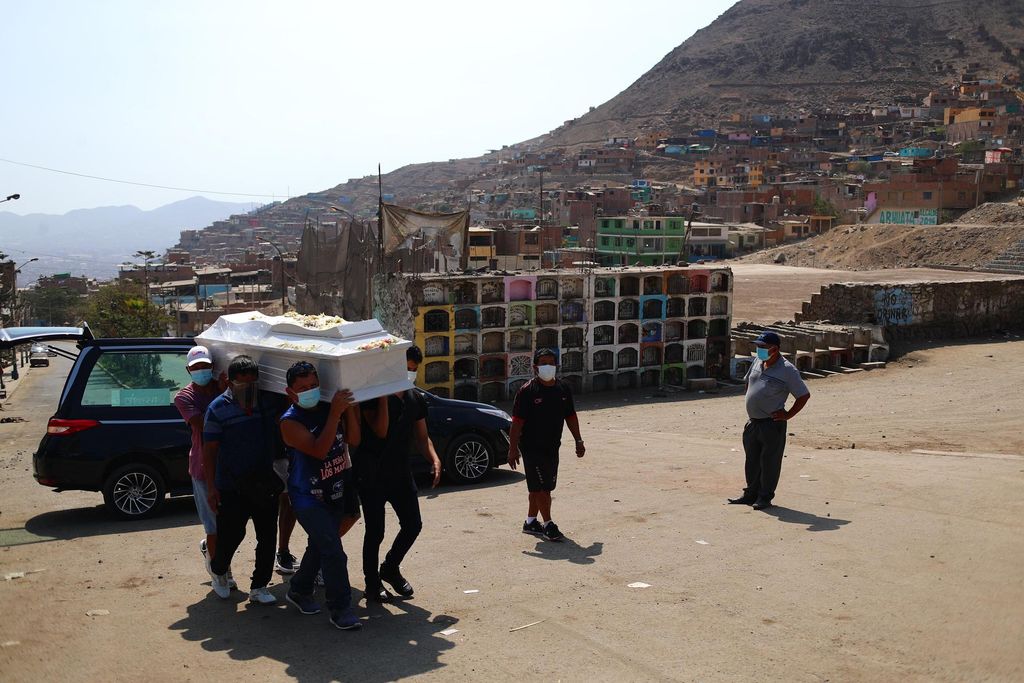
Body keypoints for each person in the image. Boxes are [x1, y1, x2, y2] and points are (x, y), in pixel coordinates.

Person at [279, 361, 363, 630]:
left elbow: (355, 439)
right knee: (334, 552)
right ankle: (340, 608)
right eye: (303, 388)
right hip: (307, 497)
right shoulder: (289, 421)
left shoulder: (330, 408)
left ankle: (299, 588)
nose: (310, 391)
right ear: (290, 393)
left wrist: (348, 410)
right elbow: (318, 450)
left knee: (320, 546)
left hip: (334, 489)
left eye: (314, 385)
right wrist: (336, 414)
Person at [355, 345, 441, 603]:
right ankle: (372, 584)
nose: (409, 374)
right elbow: (380, 431)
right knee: (375, 531)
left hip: (400, 473)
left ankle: (390, 568)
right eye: (405, 368)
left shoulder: (415, 399)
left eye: (413, 370)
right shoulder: (371, 396)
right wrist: (383, 393)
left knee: (413, 524)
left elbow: (422, 437)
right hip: (371, 473)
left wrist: (435, 459)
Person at [203, 355, 282, 605]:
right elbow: (210, 450)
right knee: (232, 534)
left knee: (268, 536)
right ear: (230, 382)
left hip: (264, 482)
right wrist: (212, 488)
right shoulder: (217, 408)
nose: (248, 387)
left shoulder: (267, 403)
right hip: (231, 485)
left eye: (253, 382)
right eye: (242, 382)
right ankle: (218, 569)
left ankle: (259, 586)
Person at [508, 348, 585, 542]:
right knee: (542, 487)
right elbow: (517, 422)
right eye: (543, 363)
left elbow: (571, 416)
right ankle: (548, 524)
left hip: (552, 446)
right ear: (535, 367)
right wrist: (512, 449)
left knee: (541, 487)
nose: (548, 366)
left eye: (551, 362)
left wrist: (578, 440)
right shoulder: (527, 391)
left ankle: (531, 522)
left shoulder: (563, 389)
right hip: (531, 447)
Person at [173, 346, 235, 588]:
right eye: (196, 367)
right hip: (202, 467)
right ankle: (221, 572)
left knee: (230, 525)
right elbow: (203, 423)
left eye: (205, 366)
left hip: (229, 466)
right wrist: (223, 394)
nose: (201, 371)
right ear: (189, 370)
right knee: (214, 527)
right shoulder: (184, 397)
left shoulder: (224, 390)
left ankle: (217, 557)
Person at [728, 331, 811, 510]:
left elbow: (804, 395)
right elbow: (749, 382)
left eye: (763, 347)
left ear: (775, 349)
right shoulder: (758, 362)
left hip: (772, 424)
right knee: (752, 460)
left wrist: (787, 415)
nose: (759, 350)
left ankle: (765, 497)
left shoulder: (788, 370)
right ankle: (750, 494)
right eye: (758, 346)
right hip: (753, 422)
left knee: (769, 462)